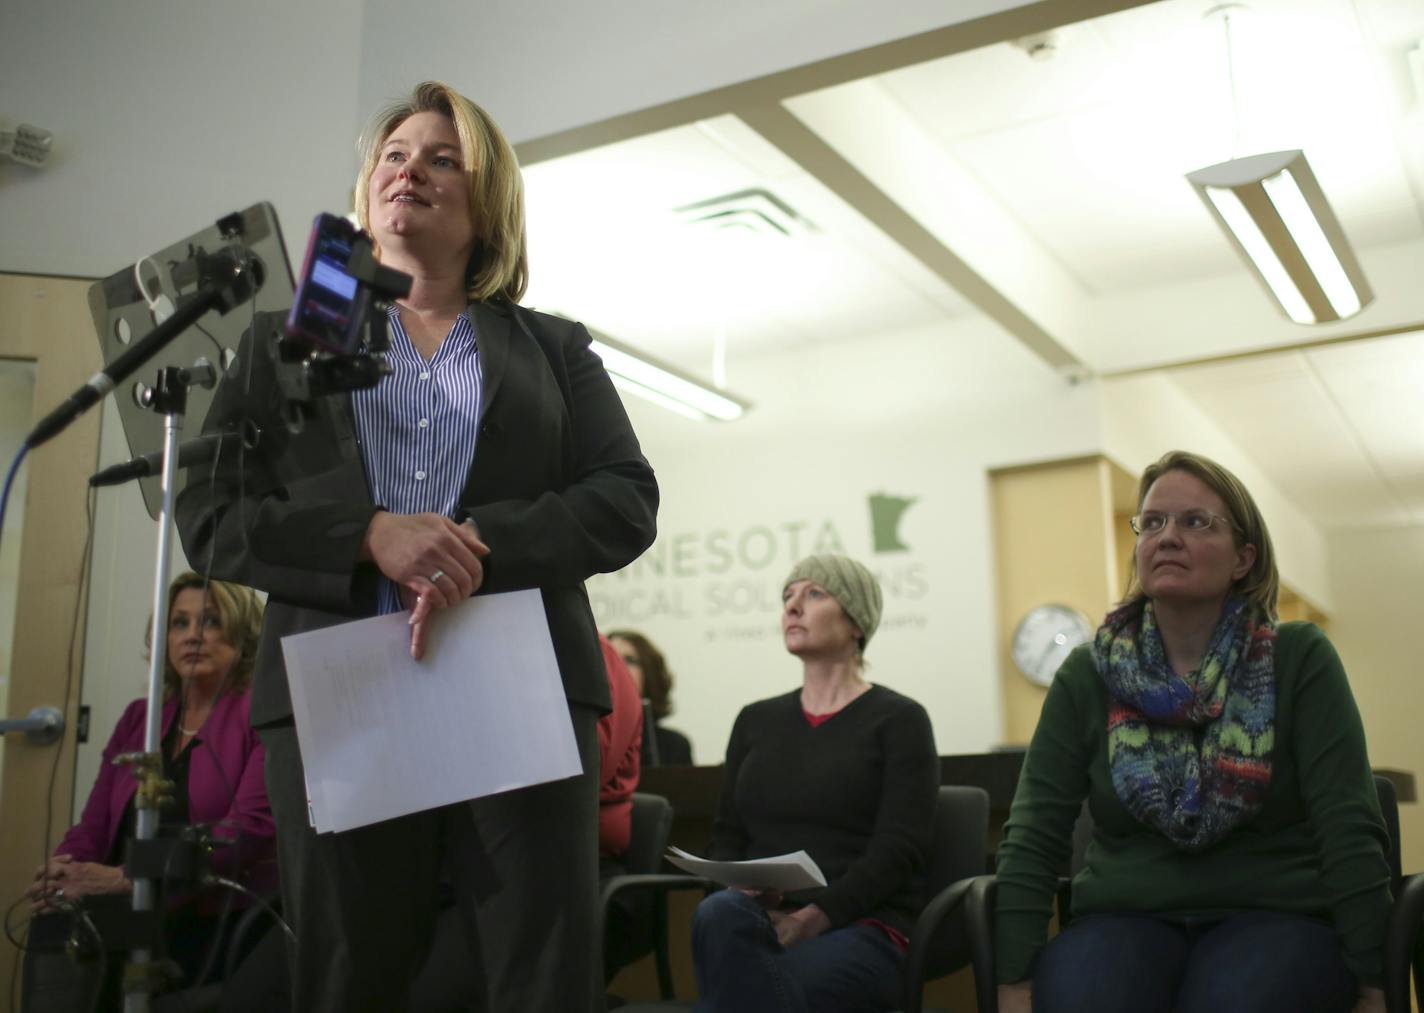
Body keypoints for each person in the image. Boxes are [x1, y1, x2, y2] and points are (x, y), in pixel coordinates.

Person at [175, 80, 658, 1013]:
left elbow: (624, 499)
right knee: (353, 973)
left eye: (444, 158)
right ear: (367, 192)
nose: (412, 171)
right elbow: (208, 505)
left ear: (488, 207)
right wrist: (368, 534)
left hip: (514, 674)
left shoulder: (553, 349)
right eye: (395, 155)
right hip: (341, 686)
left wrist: (476, 540)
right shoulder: (285, 343)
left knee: (538, 970)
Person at [994, 450, 1391, 1013]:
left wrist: (1378, 983)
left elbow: (1348, 826)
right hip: (1123, 920)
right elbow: (1033, 834)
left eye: (1195, 522)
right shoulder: (1088, 674)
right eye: (1152, 522)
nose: (1167, 536)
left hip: (1276, 919)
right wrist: (1013, 982)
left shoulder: (1299, 659)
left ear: (1243, 559)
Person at [692, 554, 938, 1012]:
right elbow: (728, 834)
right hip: (756, 920)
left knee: (759, 991)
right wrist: (738, 891)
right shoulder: (754, 720)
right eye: (787, 596)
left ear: (857, 622)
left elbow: (899, 848)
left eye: (814, 594)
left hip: (860, 926)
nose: (791, 606)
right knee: (717, 913)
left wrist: (810, 919)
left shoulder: (900, 719)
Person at [26, 572, 273, 997]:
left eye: (210, 622)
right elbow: (95, 824)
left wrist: (131, 877)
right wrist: (67, 871)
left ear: (243, 634)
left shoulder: (260, 716)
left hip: (213, 910)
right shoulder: (140, 718)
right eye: (180, 623)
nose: (192, 635)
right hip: (128, 900)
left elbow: (246, 832)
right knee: (54, 920)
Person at [607, 629, 693, 766]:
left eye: (629, 660)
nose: (618, 667)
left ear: (649, 671)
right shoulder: (586, 742)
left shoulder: (674, 745)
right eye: (610, 659)